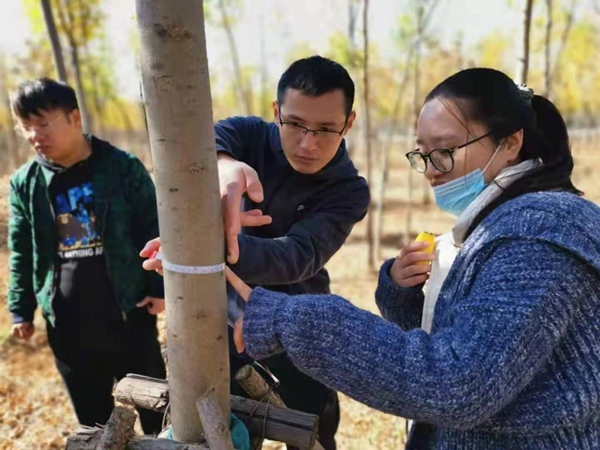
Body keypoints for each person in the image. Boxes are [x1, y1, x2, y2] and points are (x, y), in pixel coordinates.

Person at [225, 67, 600, 449]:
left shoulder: (537, 235)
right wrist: (404, 298)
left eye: (445, 152)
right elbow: (487, 350)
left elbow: (457, 384)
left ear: (509, 143)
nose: (431, 171)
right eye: (423, 154)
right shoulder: (506, 224)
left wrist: (291, 320)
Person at [141, 55, 371, 449]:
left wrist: (206, 250)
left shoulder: (348, 190)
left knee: (313, 431)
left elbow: (296, 256)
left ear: (348, 123)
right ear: (276, 111)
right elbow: (209, 139)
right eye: (295, 124)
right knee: (227, 435)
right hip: (222, 328)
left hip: (297, 328)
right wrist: (223, 164)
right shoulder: (247, 134)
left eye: (326, 129)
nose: (308, 143)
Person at [7, 78, 166, 434]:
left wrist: (159, 287)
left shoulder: (121, 167)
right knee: (94, 425)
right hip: (67, 323)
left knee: (156, 409)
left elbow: (153, 227)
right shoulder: (25, 183)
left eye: (43, 124)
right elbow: (21, 249)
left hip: (128, 313)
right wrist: (21, 307)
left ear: (74, 117)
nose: (34, 136)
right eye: (25, 127)